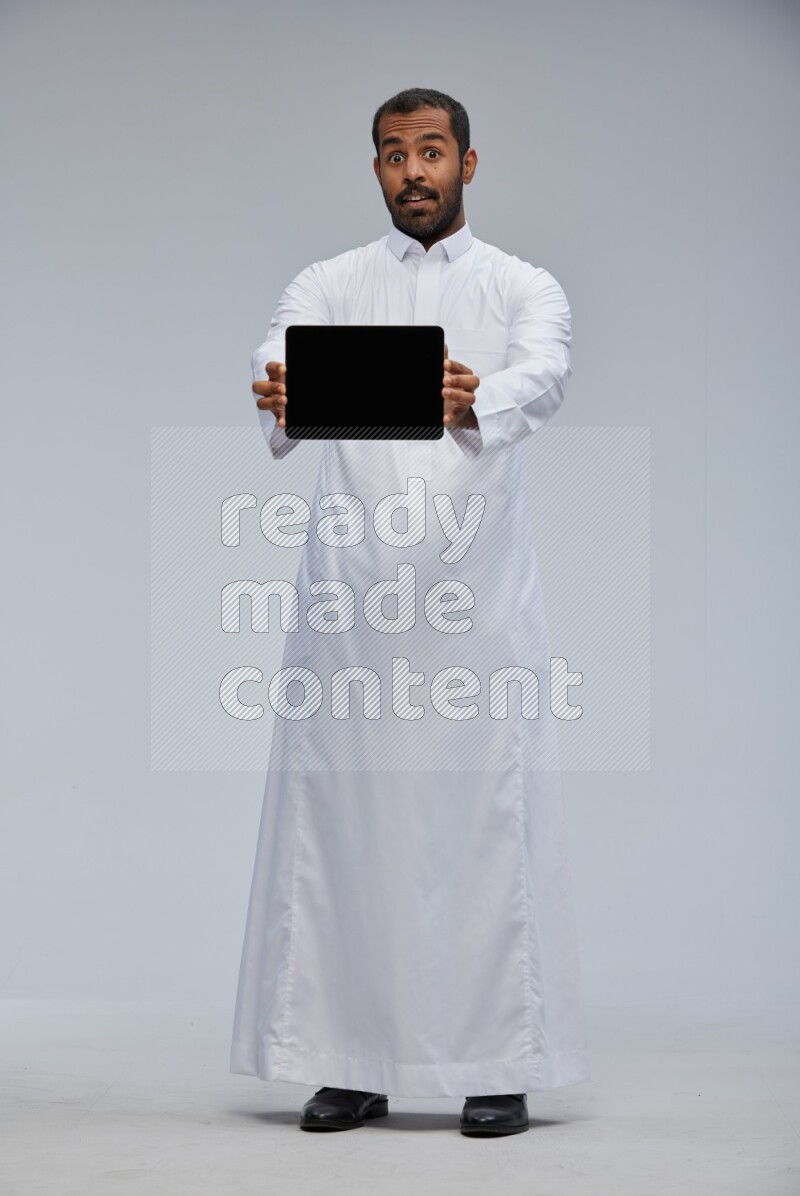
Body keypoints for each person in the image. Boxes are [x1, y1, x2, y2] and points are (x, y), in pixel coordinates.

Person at [230, 87, 589, 1137]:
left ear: (467, 165)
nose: (411, 172)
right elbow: (280, 364)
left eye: (430, 152)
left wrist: (474, 396)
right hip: (349, 610)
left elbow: (545, 374)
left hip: (475, 609)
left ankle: (494, 1063)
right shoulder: (329, 280)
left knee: (479, 831)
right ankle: (348, 1059)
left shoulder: (522, 285)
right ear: (375, 169)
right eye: (392, 155)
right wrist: (289, 386)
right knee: (344, 831)